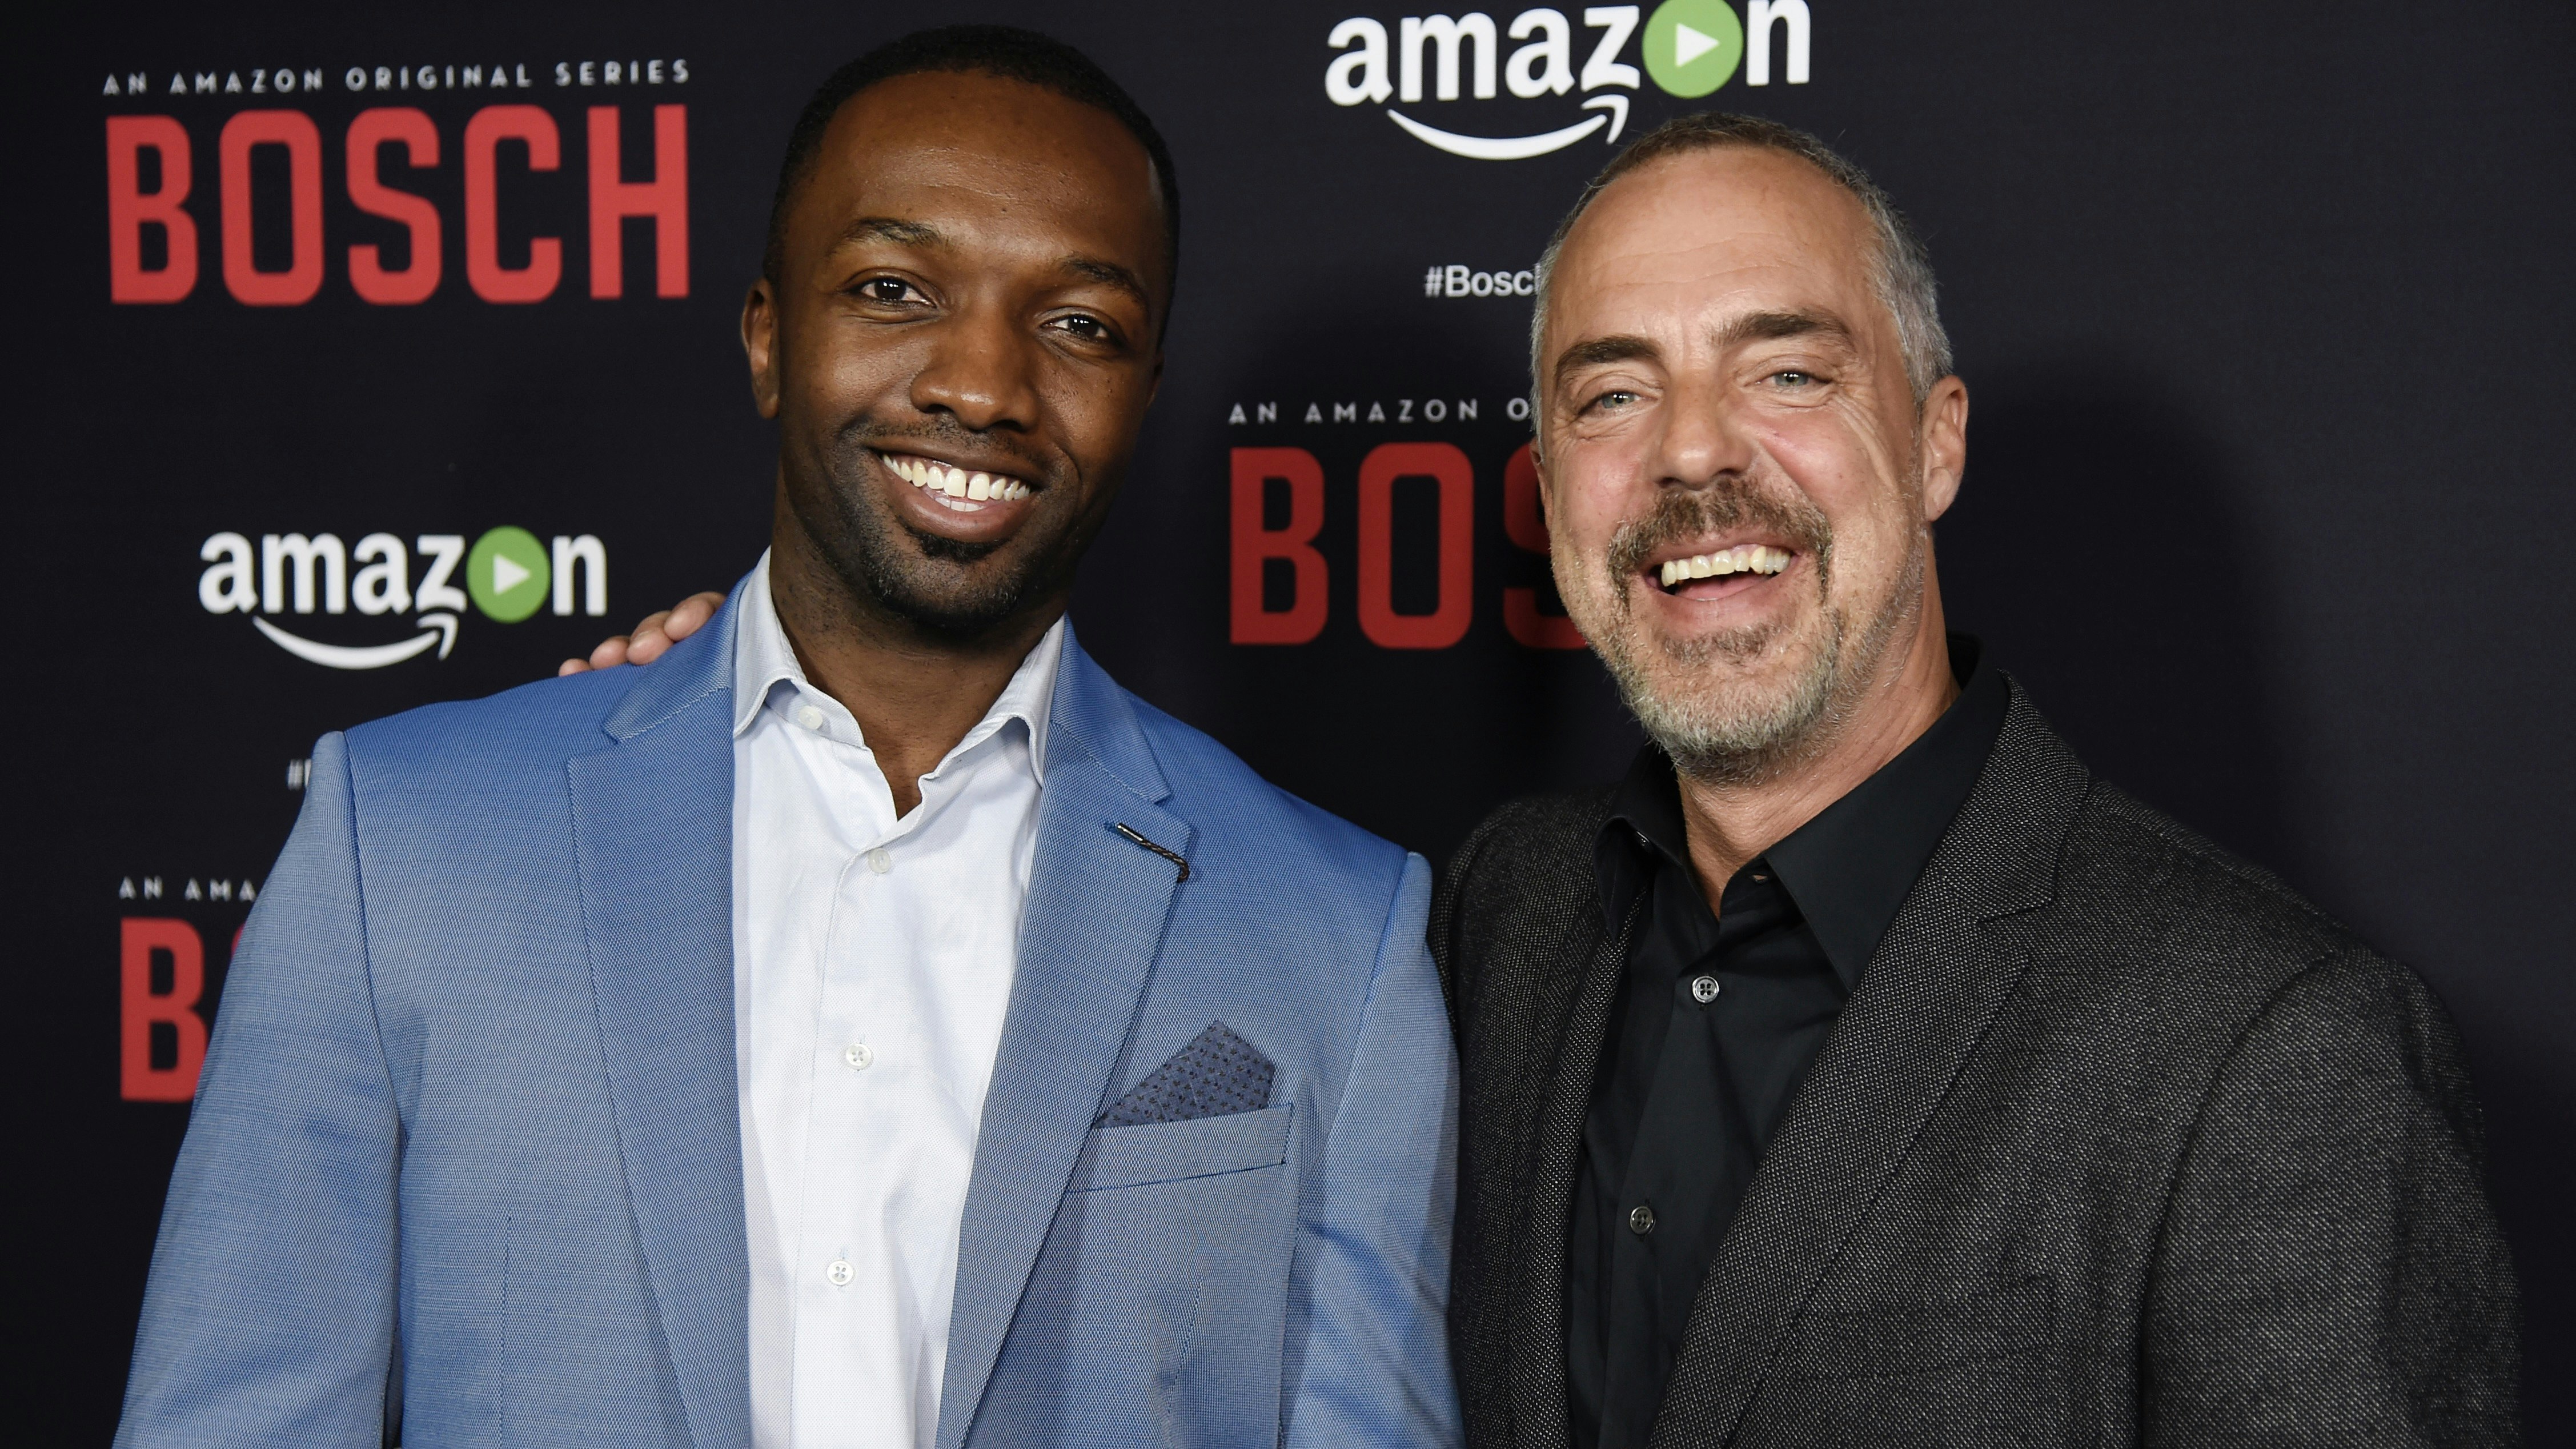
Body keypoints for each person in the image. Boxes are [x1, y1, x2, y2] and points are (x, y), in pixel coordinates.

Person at [595, 114, 2521, 1445]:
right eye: (1611, 391)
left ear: (1933, 441)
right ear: (1553, 487)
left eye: (1785, 371)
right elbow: (1061, 949)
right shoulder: (1480, 918)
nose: (1697, 462)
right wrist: (783, 709)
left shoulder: (2272, 1054)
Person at [116, 27, 1458, 1449]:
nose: (983, 385)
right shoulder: (398, 840)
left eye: (1079, 325)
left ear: (1144, 393)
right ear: (769, 336)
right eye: (894, 290)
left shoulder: (1339, 929)